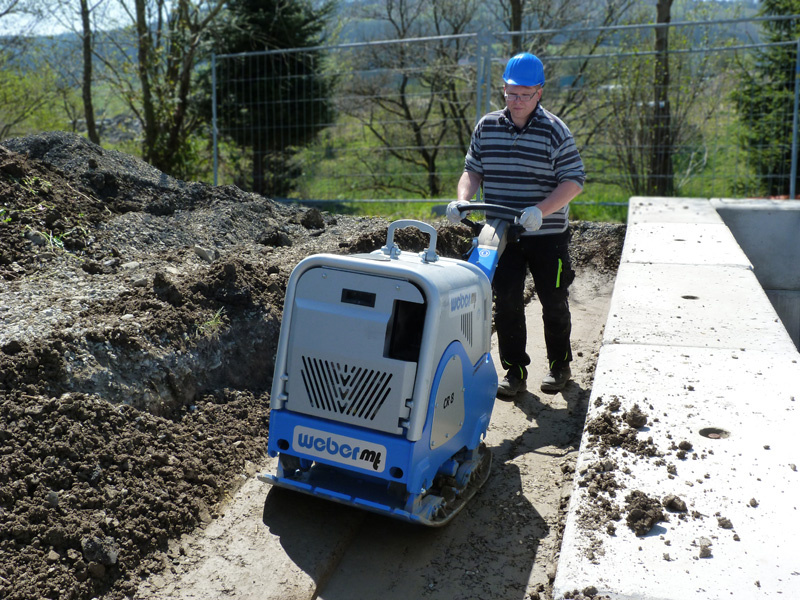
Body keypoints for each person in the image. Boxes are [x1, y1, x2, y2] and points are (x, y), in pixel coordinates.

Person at [447, 52, 585, 397]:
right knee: (506, 299)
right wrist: (464, 197)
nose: (517, 101)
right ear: (503, 89)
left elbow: (573, 181)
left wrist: (541, 209)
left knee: (553, 300)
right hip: (501, 232)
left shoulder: (555, 131)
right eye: (511, 93)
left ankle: (559, 366)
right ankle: (515, 371)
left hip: (546, 234)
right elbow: (472, 169)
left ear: (539, 93)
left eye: (525, 94)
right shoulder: (488, 126)